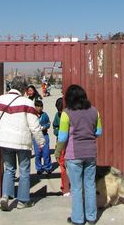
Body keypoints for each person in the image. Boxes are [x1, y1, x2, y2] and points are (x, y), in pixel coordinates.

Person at [0, 76, 45, 212]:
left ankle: (6, 196)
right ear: (24, 88)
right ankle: (22, 201)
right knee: (24, 170)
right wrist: (41, 142)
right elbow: (34, 126)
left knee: (9, 169)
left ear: (11, 86)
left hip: (4, 140)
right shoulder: (27, 103)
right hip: (22, 142)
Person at [55, 84, 102, 225]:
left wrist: (57, 152)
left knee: (76, 188)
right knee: (90, 186)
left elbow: (62, 137)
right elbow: (99, 132)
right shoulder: (95, 111)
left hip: (74, 155)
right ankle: (92, 217)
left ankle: (78, 219)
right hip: (91, 154)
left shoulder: (66, 113)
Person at [33, 99, 52, 175]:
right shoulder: (33, 115)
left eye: (41, 106)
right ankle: (39, 168)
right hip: (36, 137)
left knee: (46, 153)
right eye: (38, 106)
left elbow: (48, 123)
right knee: (37, 153)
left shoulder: (45, 115)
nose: (40, 108)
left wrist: (45, 127)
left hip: (44, 135)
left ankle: (48, 167)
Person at [52, 97, 67, 193]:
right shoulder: (57, 116)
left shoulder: (69, 115)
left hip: (68, 145)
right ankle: (64, 186)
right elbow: (54, 126)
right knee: (62, 167)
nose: (60, 111)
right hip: (60, 144)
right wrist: (57, 131)